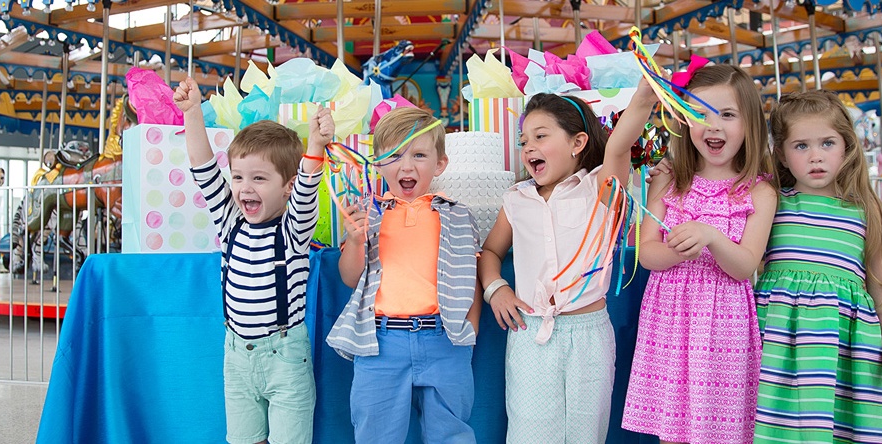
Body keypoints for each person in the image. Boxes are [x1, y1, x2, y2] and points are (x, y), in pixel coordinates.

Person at [621, 64, 778, 444]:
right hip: (669, 321)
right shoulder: (669, 181)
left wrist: (711, 237)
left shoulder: (759, 192)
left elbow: (744, 266)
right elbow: (647, 254)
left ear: (750, 124)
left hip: (724, 326)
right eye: (700, 113)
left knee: (721, 430)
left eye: (727, 114)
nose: (713, 126)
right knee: (672, 429)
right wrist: (679, 251)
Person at [476, 87, 638, 442]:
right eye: (523, 141)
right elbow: (490, 253)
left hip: (589, 336)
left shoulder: (599, 189)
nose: (528, 146)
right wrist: (495, 289)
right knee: (529, 434)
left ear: (577, 143)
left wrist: (644, 95)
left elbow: (620, 146)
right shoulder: (516, 200)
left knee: (585, 435)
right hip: (530, 333)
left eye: (540, 136)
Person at [174, 78, 329, 444]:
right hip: (236, 357)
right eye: (239, 177)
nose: (245, 188)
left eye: (259, 178)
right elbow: (202, 167)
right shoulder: (231, 223)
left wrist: (316, 146)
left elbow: (307, 191)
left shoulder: (293, 232)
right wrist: (193, 112)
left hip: (285, 358)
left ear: (286, 186)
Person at [753, 90, 882, 443]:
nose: (816, 157)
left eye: (827, 143)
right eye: (801, 146)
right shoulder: (771, 202)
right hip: (780, 339)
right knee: (781, 425)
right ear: (780, 152)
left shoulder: (864, 210)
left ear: (846, 147)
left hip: (846, 344)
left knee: (842, 426)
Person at [325, 106, 481, 444]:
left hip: (445, 340)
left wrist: (472, 326)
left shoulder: (457, 215)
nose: (406, 165)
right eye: (394, 155)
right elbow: (350, 278)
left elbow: (473, 275)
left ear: (440, 164)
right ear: (378, 162)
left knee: (451, 433)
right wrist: (354, 239)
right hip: (381, 343)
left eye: (419, 154)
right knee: (375, 433)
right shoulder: (369, 213)